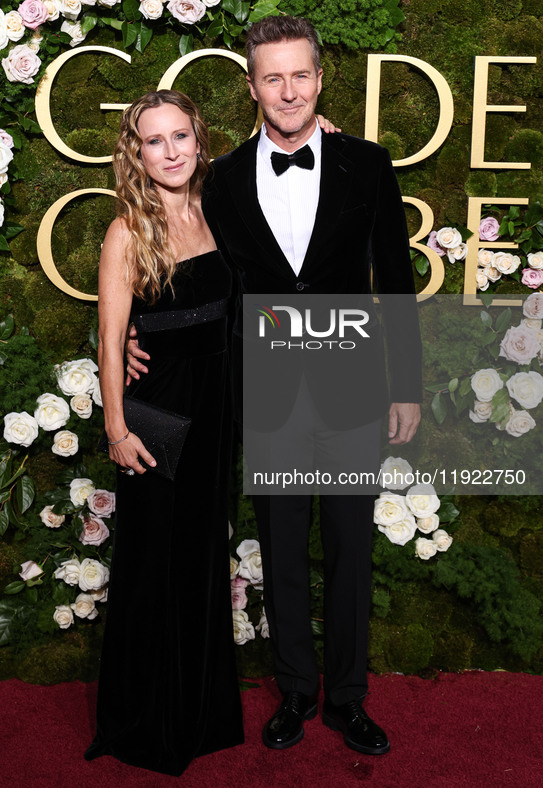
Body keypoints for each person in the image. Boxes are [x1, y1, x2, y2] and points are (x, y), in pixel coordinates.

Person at [128, 16, 422, 758]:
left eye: (299, 75)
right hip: (261, 392)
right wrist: (139, 334)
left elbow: (394, 282)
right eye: (271, 77)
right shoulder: (219, 178)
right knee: (282, 548)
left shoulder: (369, 164)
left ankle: (348, 699)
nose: (286, 90)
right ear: (251, 86)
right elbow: (192, 276)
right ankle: (294, 690)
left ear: (319, 79)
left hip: (354, 386)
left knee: (350, 551)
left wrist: (406, 388)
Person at [84, 89, 244, 777]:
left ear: (198, 141)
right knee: (154, 563)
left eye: (181, 136)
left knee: (203, 557)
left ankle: (201, 712)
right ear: (136, 152)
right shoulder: (127, 230)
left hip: (216, 411)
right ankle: (147, 720)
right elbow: (110, 340)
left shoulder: (221, 210)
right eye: (155, 141)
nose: (171, 151)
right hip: (158, 419)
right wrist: (117, 428)